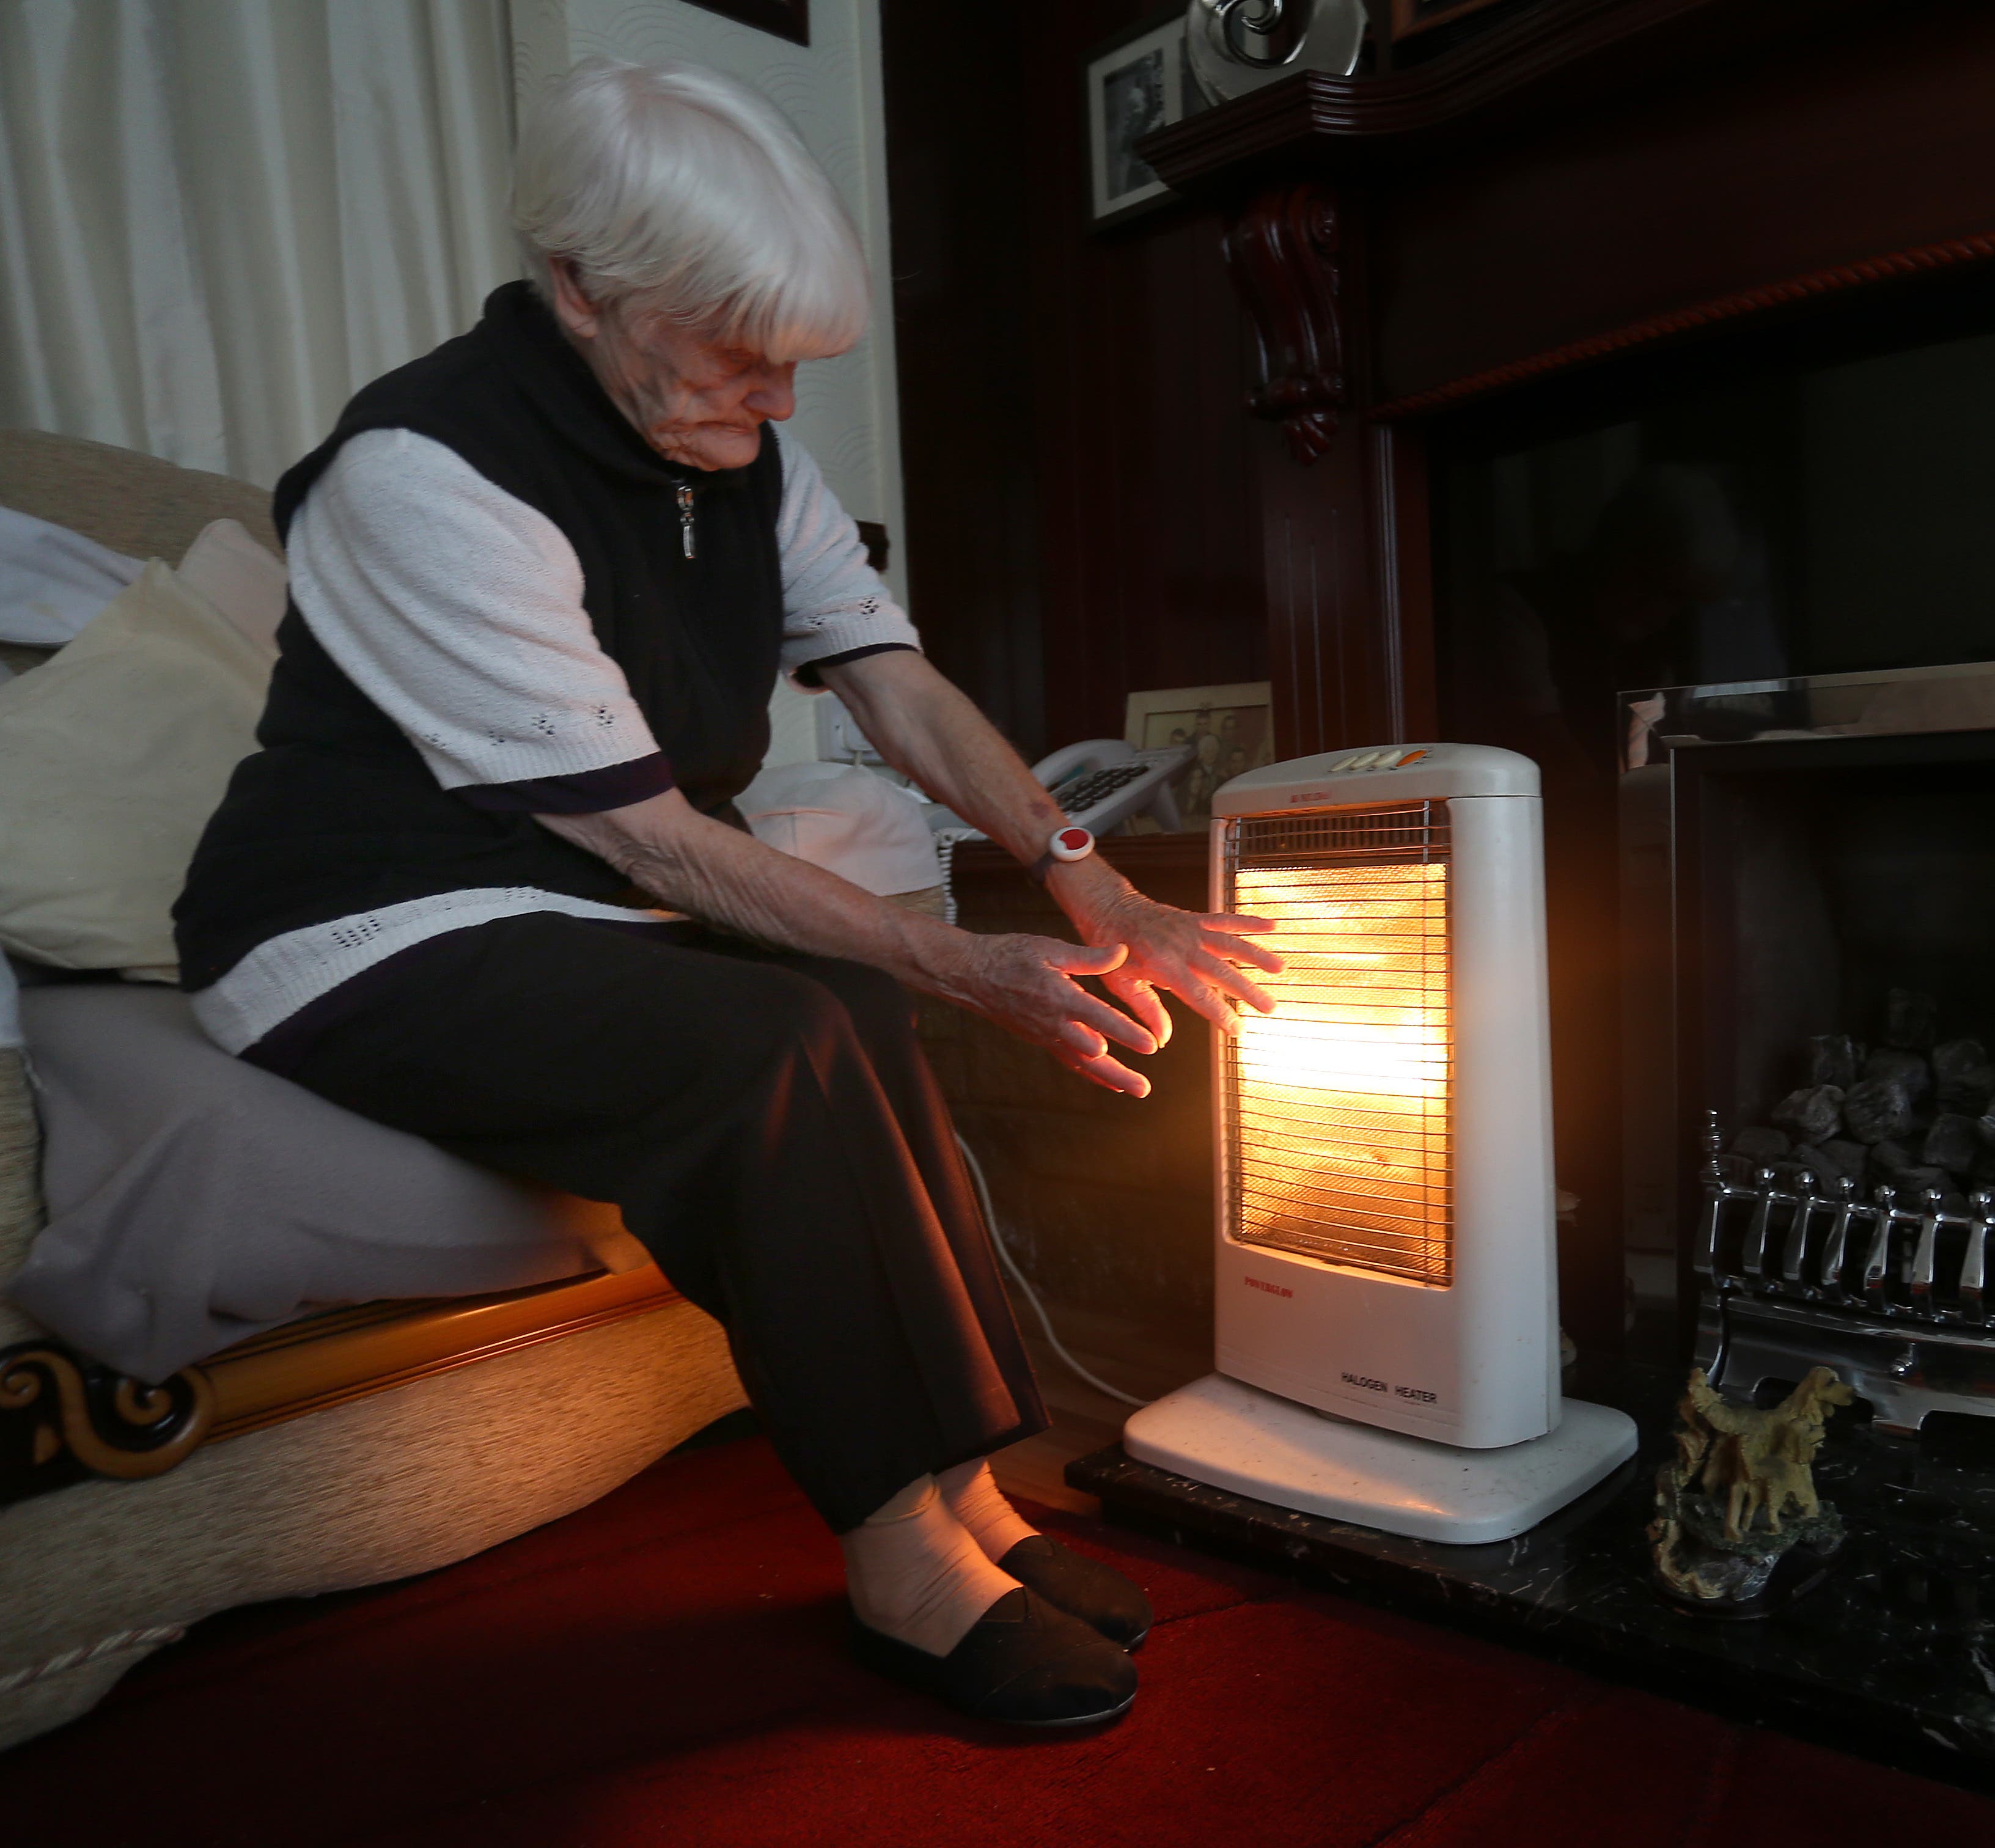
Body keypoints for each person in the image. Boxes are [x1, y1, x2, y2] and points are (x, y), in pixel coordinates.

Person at [171, 58, 1279, 1729]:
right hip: (346, 933)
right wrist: (966, 964)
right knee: (768, 1043)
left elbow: (892, 682)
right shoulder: (424, 474)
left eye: (790, 359)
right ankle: (900, 1560)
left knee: (842, 1005)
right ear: (577, 294)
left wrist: (1091, 886)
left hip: (547, 906)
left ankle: (974, 1496)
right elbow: (657, 844)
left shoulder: (742, 444)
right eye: (730, 349)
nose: (771, 396)